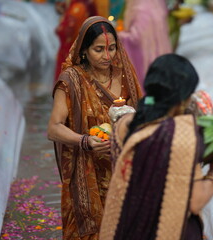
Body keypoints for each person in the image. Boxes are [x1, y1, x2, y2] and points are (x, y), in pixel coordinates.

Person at [99, 54, 213, 239]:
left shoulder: (126, 123)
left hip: (131, 228)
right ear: (183, 98)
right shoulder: (180, 134)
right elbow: (195, 202)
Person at [47, 16, 142, 239]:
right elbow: (54, 128)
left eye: (112, 48)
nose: (107, 56)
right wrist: (85, 141)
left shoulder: (125, 75)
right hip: (87, 169)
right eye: (99, 49)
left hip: (123, 167)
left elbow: (142, 117)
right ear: (84, 50)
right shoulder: (71, 80)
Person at [116, 0, 173, 91]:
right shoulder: (152, 3)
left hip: (147, 61)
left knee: (150, 92)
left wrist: (117, 36)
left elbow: (135, 38)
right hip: (160, 59)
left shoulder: (141, 9)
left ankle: (150, 102)